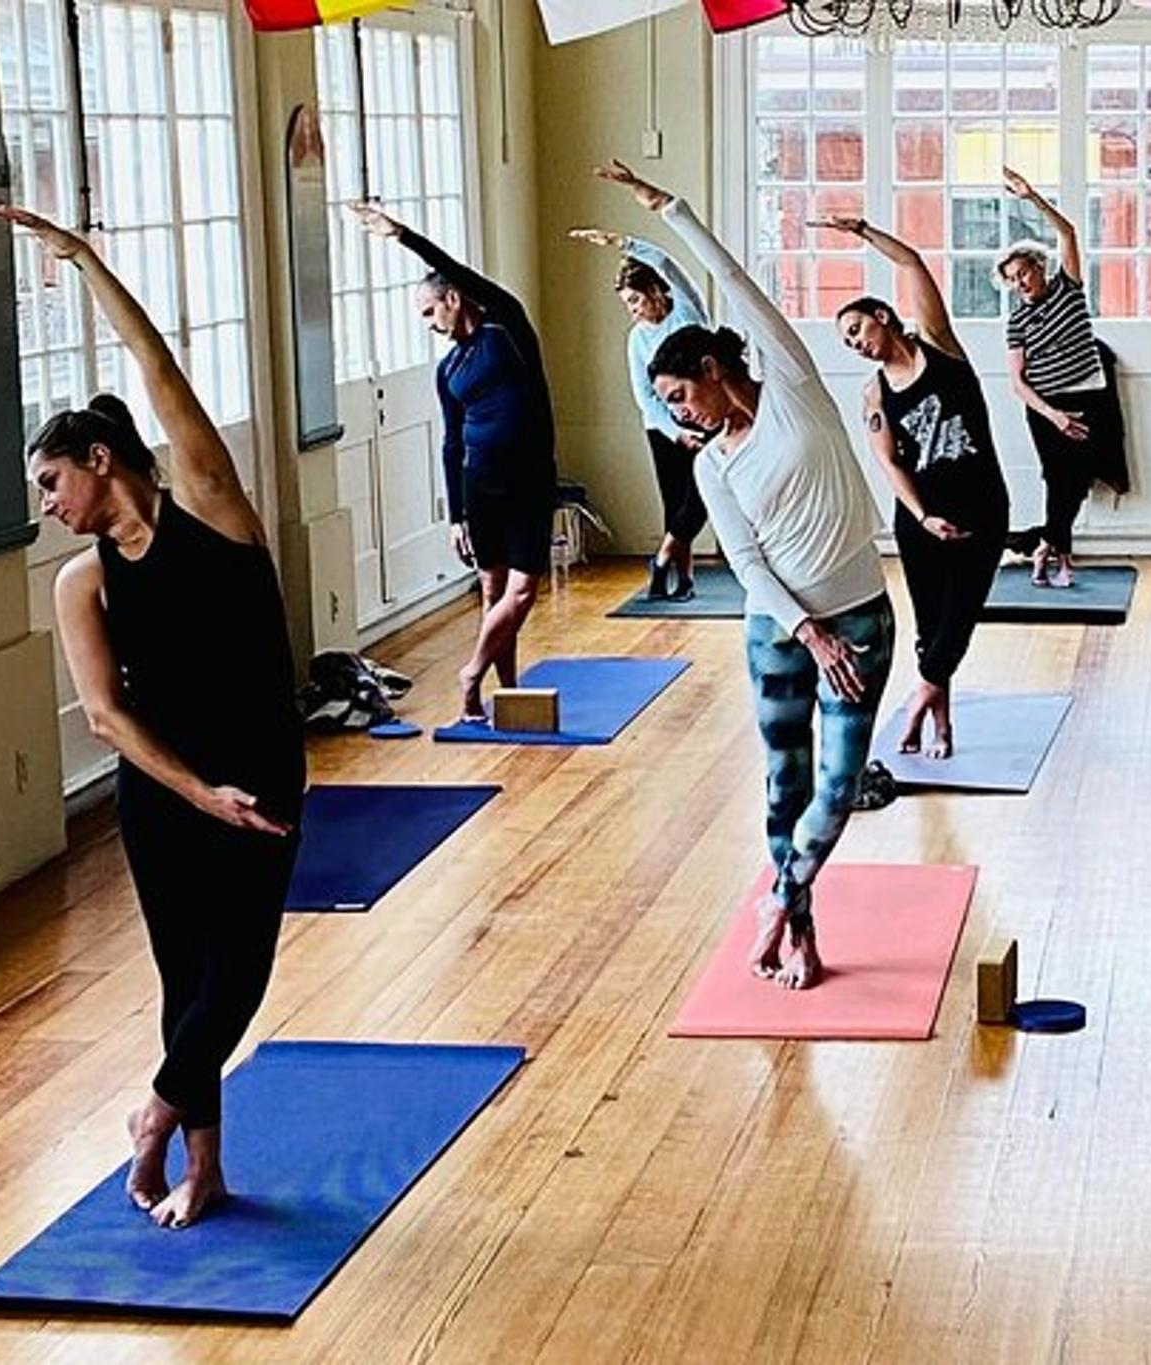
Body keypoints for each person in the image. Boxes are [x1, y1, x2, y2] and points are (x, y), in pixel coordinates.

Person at [3, 206, 305, 1229]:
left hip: (261, 771)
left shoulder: (213, 506)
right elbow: (105, 715)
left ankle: (154, 1117)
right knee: (188, 983)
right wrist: (195, 793)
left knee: (240, 977)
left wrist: (87, 263)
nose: (48, 503)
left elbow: (159, 368)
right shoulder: (80, 585)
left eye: (52, 481)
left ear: (98, 457)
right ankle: (204, 1167)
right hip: (169, 793)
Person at [597, 159, 893, 991]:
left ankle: (779, 898)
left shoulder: (794, 388)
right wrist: (807, 629)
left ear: (717, 372)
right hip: (781, 629)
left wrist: (674, 210)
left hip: (862, 620)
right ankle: (799, 928)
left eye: (681, 394)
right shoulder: (711, 468)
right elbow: (748, 562)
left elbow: (735, 283)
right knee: (782, 785)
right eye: (665, 402)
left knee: (837, 787)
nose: (677, 412)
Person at [814, 213, 1010, 759]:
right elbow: (890, 463)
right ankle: (940, 726)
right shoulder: (874, 394)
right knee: (930, 630)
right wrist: (922, 516)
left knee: (961, 616)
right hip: (921, 520)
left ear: (883, 317)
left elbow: (911, 263)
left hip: (982, 509)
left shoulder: (941, 349)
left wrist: (862, 231)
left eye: (857, 330)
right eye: (847, 342)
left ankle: (919, 699)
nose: (855, 343)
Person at [352, 203, 557, 721]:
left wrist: (402, 235)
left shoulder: (507, 329)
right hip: (480, 485)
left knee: (523, 589)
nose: (428, 325)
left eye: (429, 312)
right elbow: (450, 442)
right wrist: (456, 514)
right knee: (493, 588)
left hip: (529, 479)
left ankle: (471, 672)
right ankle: (505, 690)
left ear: (451, 298)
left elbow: (460, 269)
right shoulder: (448, 370)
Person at [997, 166, 1128, 588]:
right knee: (1059, 480)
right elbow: (1017, 382)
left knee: (1075, 485)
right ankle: (1062, 558)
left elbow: (1069, 233)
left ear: (1040, 267)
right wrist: (1053, 415)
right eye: (1013, 280)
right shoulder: (1017, 321)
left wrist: (1032, 195)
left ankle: (1043, 550)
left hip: (1089, 399)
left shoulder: (1069, 289)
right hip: (1045, 409)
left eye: (1025, 273)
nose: (1020, 283)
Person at [570, 225, 711, 600]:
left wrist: (621, 242)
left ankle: (662, 558)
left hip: (705, 419)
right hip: (664, 428)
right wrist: (674, 431)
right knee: (674, 502)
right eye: (626, 305)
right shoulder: (636, 339)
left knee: (704, 496)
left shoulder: (687, 312)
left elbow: (665, 261)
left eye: (635, 301)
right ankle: (683, 578)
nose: (632, 311)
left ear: (653, 291)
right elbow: (645, 397)